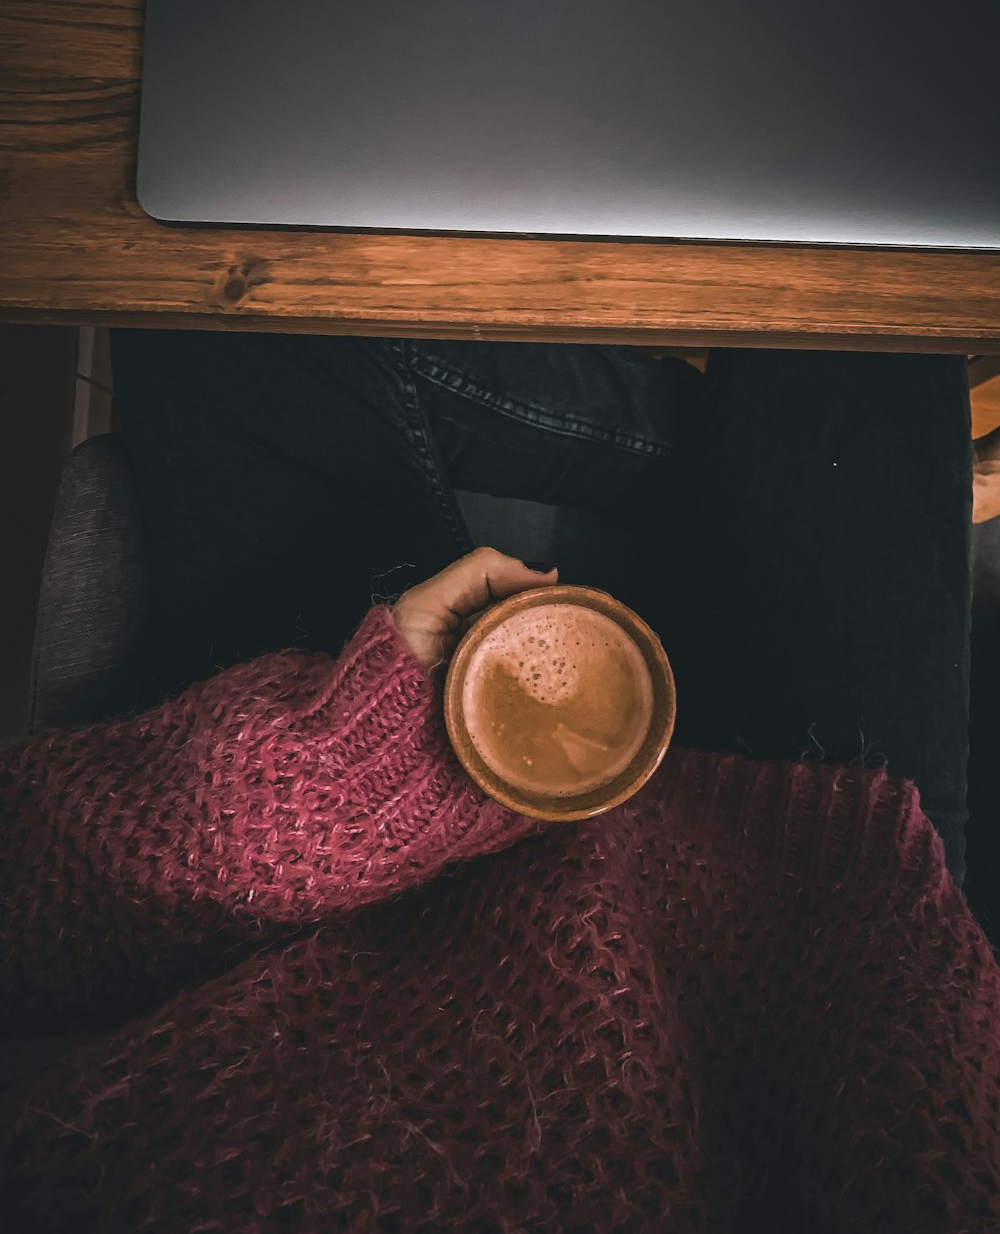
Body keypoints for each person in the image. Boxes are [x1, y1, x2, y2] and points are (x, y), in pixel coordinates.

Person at [1, 339, 998, 1230]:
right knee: (860, 341)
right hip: (813, 900)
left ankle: (788, 477)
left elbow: (32, 904)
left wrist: (343, 764)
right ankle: (798, 478)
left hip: (352, 875)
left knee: (217, 309)